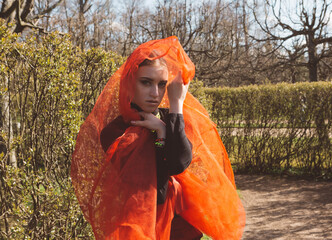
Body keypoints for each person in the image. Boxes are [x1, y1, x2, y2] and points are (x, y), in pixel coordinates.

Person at [71, 36, 246, 240]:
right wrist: (162, 136)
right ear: (129, 83)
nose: (155, 93)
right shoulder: (115, 132)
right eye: (146, 82)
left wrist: (175, 107)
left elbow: (180, 161)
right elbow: (157, 191)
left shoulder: (168, 119)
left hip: (181, 231)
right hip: (140, 231)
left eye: (162, 84)